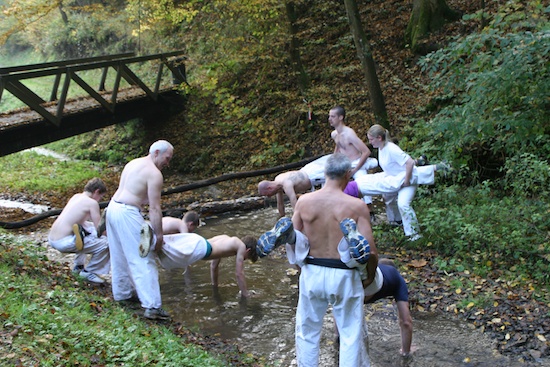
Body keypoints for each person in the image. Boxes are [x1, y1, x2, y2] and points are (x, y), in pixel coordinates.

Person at [260, 153, 378, 366]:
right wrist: (368, 278)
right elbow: (372, 253)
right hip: (344, 274)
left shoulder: (304, 201)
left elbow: (295, 255)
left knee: (307, 332)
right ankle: (348, 247)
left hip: (312, 271)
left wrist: (298, 265)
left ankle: (289, 235)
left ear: (325, 173)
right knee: (350, 336)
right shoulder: (357, 206)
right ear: (348, 174)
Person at [106, 140, 174, 320]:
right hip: (127, 212)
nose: (168, 163)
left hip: (113, 208)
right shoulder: (154, 174)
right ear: (157, 152)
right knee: (143, 258)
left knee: (118, 254)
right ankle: (152, 306)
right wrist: (159, 235)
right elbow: (154, 208)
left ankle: (123, 294)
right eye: (167, 158)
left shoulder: (133, 163)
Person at [367, 124, 451, 240]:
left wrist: (406, 180)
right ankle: (397, 221)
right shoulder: (381, 149)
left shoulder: (391, 148)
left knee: (403, 204)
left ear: (379, 138)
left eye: (371, 139)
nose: (370, 142)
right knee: (388, 198)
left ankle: (414, 234)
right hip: (396, 180)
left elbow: (410, 163)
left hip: (408, 180)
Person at [335, 258, 415, 358]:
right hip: (372, 286)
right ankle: (405, 354)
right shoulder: (396, 277)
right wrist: (406, 352)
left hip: (349, 283)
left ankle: (338, 341)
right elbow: (406, 322)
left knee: (343, 308)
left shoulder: (372, 271)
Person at [156, 233, 258, 299]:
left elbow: (214, 266)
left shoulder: (226, 239)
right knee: (169, 253)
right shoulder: (241, 246)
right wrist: (245, 294)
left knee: (168, 247)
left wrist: (215, 286)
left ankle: (153, 237)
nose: (244, 259)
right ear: (247, 250)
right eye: (247, 257)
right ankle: (153, 240)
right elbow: (239, 273)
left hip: (199, 241)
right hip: (201, 248)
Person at [48, 178, 110, 284]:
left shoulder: (76, 197)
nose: (99, 199)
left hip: (52, 238)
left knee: (86, 230)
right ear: (96, 191)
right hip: (64, 242)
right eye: (101, 196)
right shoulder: (92, 203)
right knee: (107, 243)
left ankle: (78, 266)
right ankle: (89, 271)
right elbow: (100, 230)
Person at [329, 105, 378, 212]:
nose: (330, 119)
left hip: (357, 164)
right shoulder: (334, 134)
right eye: (329, 116)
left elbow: (366, 151)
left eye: (333, 116)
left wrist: (355, 170)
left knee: (364, 185)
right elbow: (338, 148)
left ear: (341, 117)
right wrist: (333, 161)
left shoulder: (349, 134)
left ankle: (370, 212)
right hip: (344, 164)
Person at [258, 154, 332, 217]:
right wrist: (281, 219)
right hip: (306, 171)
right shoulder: (277, 182)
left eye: (267, 195)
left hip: (314, 175)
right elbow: (280, 204)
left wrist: (297, 223)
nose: (269, 197)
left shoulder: (286, 185)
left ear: (269, 188)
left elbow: (295, 206)